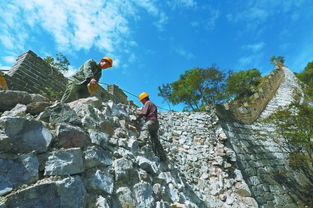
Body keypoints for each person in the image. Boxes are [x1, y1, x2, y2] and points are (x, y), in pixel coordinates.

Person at [136, 92, 166, 161]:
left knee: (145, 129)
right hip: (155, 123)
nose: (141, 102)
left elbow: (143, 113)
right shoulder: (153, 104)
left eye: (141, 101)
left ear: (143, 99)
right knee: (155, 140)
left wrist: (136, 117)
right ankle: (162, 156)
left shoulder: (147, 103)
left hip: (151, 121)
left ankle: (141, 141)